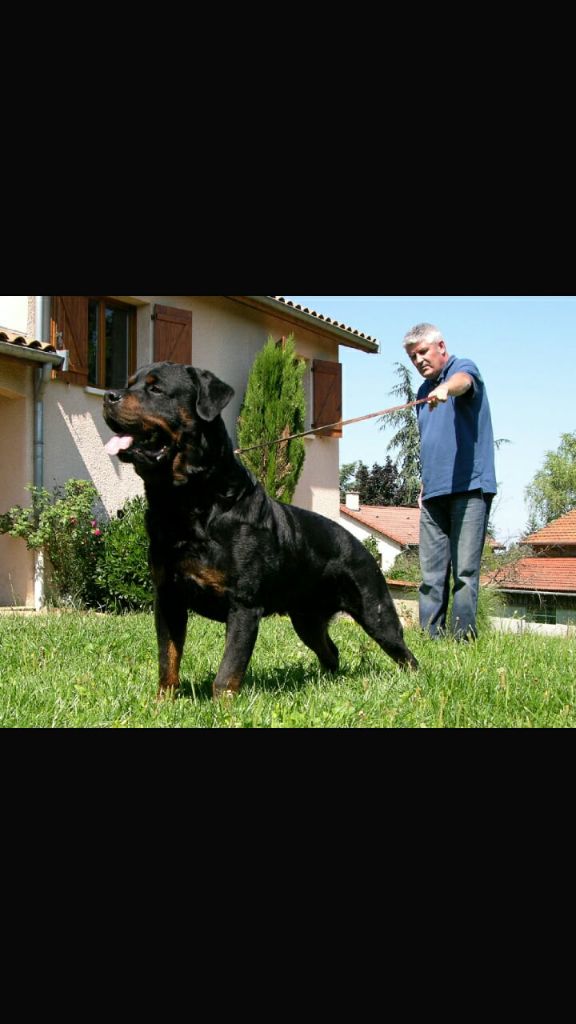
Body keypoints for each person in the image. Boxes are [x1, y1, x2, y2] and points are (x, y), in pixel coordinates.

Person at [402, 323, 496, 640]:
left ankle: (462, 642)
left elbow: (463, 382)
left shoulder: (462, 368)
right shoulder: (421, 393)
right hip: (433, 495)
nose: (418, 361)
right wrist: (424, 484)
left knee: (465, 573)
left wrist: (446, 389)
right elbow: (432, 442)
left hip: (470, 489)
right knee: (430, 575)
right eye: (413, 357)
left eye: (423, 352)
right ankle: (430, 640)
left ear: (441, 346)